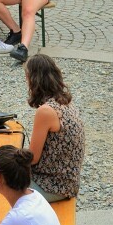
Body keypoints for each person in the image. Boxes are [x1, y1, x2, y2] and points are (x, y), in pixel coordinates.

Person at [25, 54, 84, 202]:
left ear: (33, 80)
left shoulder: (46, 111)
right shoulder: (65, 102)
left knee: (2, 181)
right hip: (67, 181)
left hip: (53, 185)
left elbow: (32, 158)